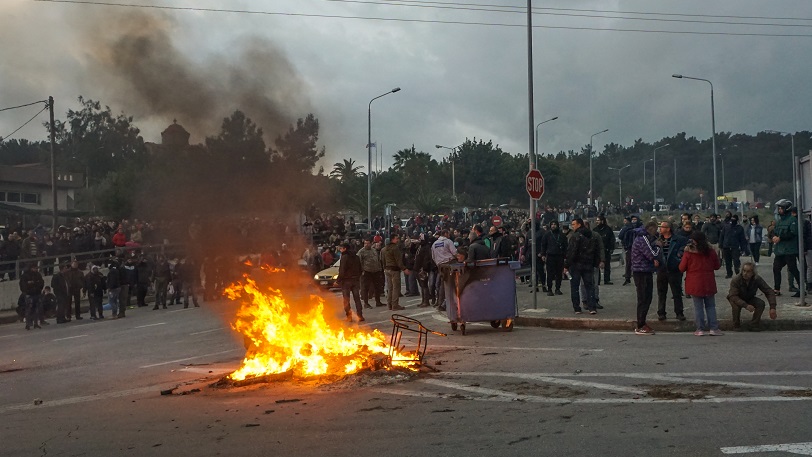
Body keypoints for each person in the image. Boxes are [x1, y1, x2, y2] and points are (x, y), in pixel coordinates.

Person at [679, 231, 722, 336]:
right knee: (710, 306)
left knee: (698, 307)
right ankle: (713, 328)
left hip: (694, 282)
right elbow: (717, 266)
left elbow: (681, 268)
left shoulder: (688, 252)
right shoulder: (710, 251)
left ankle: (700, 329)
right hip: (708, 281)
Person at [727, 262, 777, 331]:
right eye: (744, 271)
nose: (745, 273)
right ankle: (736, 325)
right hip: (737, 298)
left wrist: (772, 307)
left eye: (748, 271)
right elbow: (733, 296)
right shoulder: (736, 279)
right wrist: (746, 305)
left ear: (753, 273)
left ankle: (754, 324)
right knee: (736, 306)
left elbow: (769, 291)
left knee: (760, 303)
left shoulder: (757, 279)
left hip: (749, 297)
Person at [631, 221, 662, 335]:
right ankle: (640, 324)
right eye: (656, 229)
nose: (657, 231)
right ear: (650, 228)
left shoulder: (643, 238)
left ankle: (642, 322)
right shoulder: (643, 238)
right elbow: (651, 254)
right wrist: (658, 246)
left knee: (646, 297)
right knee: (644, 297)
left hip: (643, 270)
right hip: (642, 271)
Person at [564, 218, 598, 315]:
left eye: (574, 224)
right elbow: (596, 251)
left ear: (579, 224)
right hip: (588, 264)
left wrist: (566, 265)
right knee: (589, 286)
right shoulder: (591, 235)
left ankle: (577, 308)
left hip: (576, 265)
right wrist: (595, 263)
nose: (572, 226)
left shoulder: (575, 236)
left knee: (575, 287)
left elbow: (571, 252)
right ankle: (592, 307)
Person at [656, 221, 688, 321]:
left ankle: (679, 312)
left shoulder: (678, 239)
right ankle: (661, 312)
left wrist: (678, 257)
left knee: (677, 292)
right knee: (661, 292)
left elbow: (684, 249)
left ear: (668, 229)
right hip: (661, 269)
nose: (660, 228)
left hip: (674, 269)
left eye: (662, 227)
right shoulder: (657, 240)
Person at [771, 199, 800, 297]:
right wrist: (774, 237)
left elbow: (793, 233)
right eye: (779, 208)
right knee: (776, 268)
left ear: (787, 209)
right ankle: (777, 289)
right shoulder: (779, 221)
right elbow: (775, 231)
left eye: (781, 208)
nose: (779, 210)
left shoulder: (792, 220)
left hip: (789, 250)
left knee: (792, 269)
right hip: (780, 251)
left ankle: (801, 288)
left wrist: (780, 238)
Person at [381, 234, 409, 311]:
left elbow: (382, 261)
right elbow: (398, 261)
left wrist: (385, 268)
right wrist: (404, 269)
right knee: (396, 288)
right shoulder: (395, 248)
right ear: (392, 240)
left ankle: (389, 304)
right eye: (396, 239)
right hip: (394, 270)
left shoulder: (383, 250)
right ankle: (395, 305)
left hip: (387, 270)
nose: (398, 240)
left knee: (390, 288)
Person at [337, 242, 364, 322]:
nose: (340, 250)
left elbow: (342, 270)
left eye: (341, 248)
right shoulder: (356, 257)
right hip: (355, 280)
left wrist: (338, 281)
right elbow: (360, 269)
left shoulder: (344, 257)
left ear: (345, 249)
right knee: (357, 299)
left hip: (346, 281)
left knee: (346, 299)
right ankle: (360, 316)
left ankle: (349, 317)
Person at [431, 229, 457, 311]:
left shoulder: (434, 244)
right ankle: (449, 303)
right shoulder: (448, 241)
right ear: (445, 234)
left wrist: (439, 264)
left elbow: (433, 257)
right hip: (449, 264)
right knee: (452, 284)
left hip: (440, 266)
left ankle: (440, 303)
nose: (449, 235)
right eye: (448, 233)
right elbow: (455, 252)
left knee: (442, 285)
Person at [540, 220, 567, 296]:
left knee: (559, 274)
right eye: (552, 224)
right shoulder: (547, 234)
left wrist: (565, 256)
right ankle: (549, 289)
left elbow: (565, 246)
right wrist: (543, 254)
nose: (553, 226)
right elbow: (543, 245)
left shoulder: (561, 235)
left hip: (560, 256)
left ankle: (557, 289)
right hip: (550, 256)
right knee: (550, 274)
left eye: (555, 224)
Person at [358, 239, 384, 309]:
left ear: (371, 243)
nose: (366, 245)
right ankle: (366, 303)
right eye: (365, 243)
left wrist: (380, 269)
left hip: (376, 271)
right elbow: (358, 262)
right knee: (365, 288)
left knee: (377, 287)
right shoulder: (361, 252)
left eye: (368, 243)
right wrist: (361, 271)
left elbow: (378, 260)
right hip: (366, 272)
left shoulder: (374, 250)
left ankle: (378, 302)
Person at [20, 263, 45, 330]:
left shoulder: (37, 275)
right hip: (29, 294)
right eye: (35, 268)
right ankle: (28, 324)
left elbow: (41, 282)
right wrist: (27, 291)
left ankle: (35, 323)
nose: (36, 269)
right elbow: (23, 285)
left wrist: (39, 289)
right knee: (29, 309)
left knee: (36, 309)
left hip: (36, 293)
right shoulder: (25, 276)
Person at [618, 215, 641, 286]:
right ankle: (628, 278)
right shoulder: (628, 228)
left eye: (635, 219)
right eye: (633, 219)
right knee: (629, 263)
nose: (634, 221)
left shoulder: (640, 227)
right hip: (630, 247)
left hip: (639, 248)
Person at [593, 215, 615, 285]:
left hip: (606, 250)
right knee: (597, 266)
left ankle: (607, 279)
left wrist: (611, 248)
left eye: (598, 220)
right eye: (596, 220)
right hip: (597, 251)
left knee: (607, 265)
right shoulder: (595, 230)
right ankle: (597, 280)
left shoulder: (608, 229)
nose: (597, 222)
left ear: (602, 221)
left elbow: (612, 239)